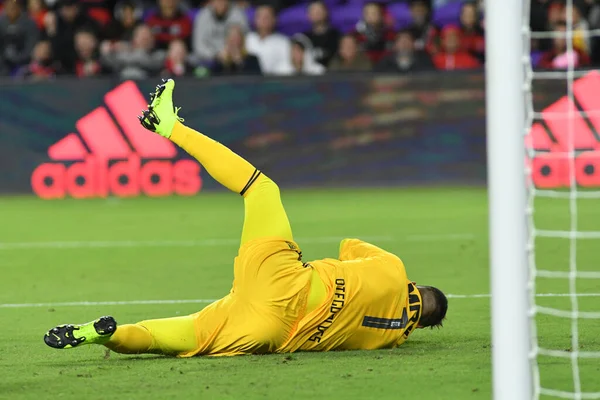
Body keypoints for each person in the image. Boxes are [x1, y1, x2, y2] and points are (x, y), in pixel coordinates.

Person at [44, 79, 448, 357]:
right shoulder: (390, 339)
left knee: (260, 188)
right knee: (167, 337)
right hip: (269, 331)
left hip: (286, 281)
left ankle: (170, 127)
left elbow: (348, 245)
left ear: (417, 285)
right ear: (421, 325)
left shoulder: (394, 269)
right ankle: (106, 335)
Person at [245, 4, 290, 75]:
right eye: (260, 17)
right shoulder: (247, 39)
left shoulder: (283, 42)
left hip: (274, 82)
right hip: (249, 82)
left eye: (267, 17)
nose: (263, 20)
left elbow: (287, 67)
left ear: (274, 19)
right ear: (255, 20)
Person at [0, 0, 39, 74]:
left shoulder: (29, 23)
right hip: (3, 63)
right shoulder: (1, 23)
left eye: (14, 7)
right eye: (8, 7)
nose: (11, 10)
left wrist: (19, 57)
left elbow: (31, 45)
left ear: (19, 8)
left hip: (25, 62)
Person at [303, 0, 340, 67]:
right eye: (313, 10)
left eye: (319, 10)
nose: (317, 13)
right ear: (308, 15)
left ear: (326, 12)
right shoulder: (303, 38)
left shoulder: (337, 36)